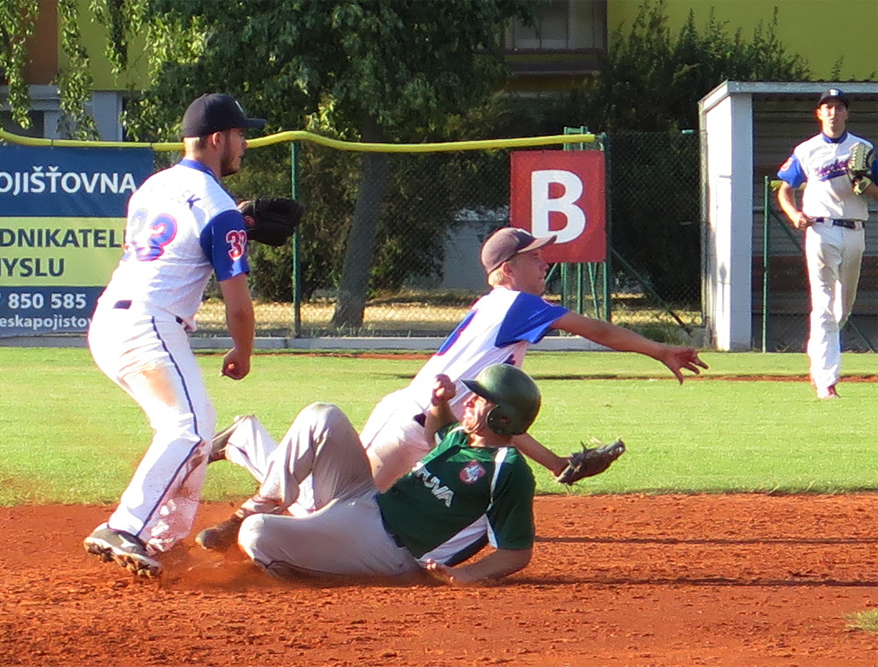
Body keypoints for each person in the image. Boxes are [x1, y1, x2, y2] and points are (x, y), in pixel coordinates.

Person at [357, 226, 708, 490]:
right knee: (338, 504)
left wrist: (556, 464)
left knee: (396, 519)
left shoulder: (501, 307)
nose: (544, 264)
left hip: (437, 434)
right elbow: (597, 331)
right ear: (508, 270)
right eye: (534, 257)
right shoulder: (517, 305)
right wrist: (661, 351)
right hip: (407, 425)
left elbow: (499, 421)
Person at [82, 93, 266, 577]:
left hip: (111, 321)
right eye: (241, 135)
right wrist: (243, 353)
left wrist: (240, 222)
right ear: (217, 139)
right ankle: (125, 527)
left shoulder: (151, 187)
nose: (245, 144)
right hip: (149, 324)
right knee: (185, 428)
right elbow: (239, 306)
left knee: (198, 427)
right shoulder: (217, 205)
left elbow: (175, 243)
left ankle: (163, 541)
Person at [199, 364, 542, 585]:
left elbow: (516, 552)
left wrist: (464, 575)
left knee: (257, 534)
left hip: (388, 549)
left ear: (503, 418)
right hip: (365, 501)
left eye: (481, 399)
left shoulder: (508, 469)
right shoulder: (460, 437)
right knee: (323, 416)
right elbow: (436, 429)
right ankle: (256, 506)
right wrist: (439, 402)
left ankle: (284, 565)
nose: (469, 400)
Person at [776, 88, 878, 400]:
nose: (833, 112)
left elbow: (876, 192)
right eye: (827, 107)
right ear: (819, 114)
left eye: (838, 107)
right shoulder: (807, 150)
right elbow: (784, 189)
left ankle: (820, 362)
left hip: (855, 230)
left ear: (847, 113)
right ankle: (825, 380)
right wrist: (794, 214)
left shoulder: (864, 148)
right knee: (822, 305)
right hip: (821, 229)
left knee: (841, 308)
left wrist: (866, 185)